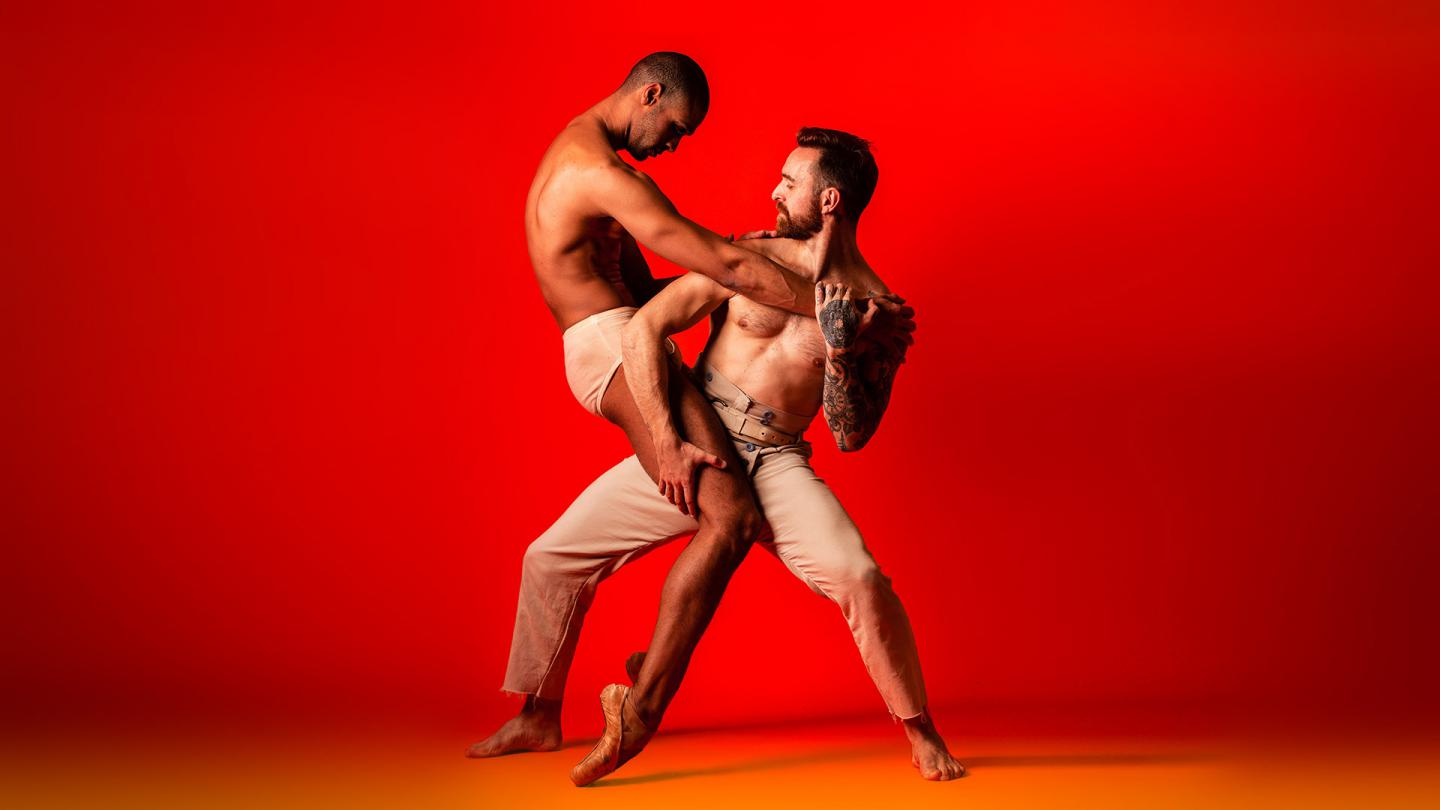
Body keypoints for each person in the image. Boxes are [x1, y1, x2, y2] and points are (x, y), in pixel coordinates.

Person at [562, 128, 964, 784]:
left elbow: (852, 435)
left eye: (789, 181)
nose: (774, 191)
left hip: (775, 456)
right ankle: (535, 709)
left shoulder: (877, 310)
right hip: (700, 436)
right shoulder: (749, 255)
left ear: (828, 200)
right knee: (553, 555)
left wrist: (839, 355)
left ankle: (919, 729)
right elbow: (658, 314)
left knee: (862, 579)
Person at [467, 52, 835, 765]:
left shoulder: (579, 154)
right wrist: (830, 306)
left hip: (608, 342)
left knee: (553, 555)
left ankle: (538, 713)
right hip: (613, 351)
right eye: (676, 126)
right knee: (732, 518)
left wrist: (733, 260)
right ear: (651, 93)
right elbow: (720, 270)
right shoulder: (603, 175)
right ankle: (646, 704)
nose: (675, 143)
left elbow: (662, 288)